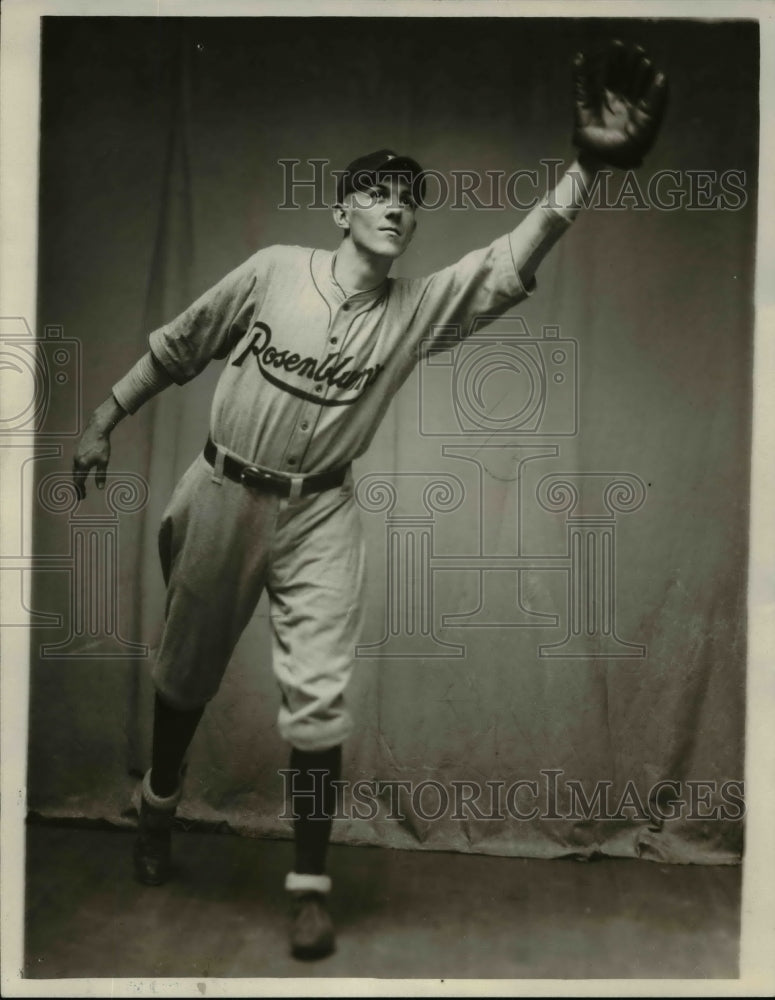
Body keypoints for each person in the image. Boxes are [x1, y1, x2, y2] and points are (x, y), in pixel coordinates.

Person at [72, 40, 667, 960]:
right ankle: (157, 803)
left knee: (319, 703)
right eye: (379, 192)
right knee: (182, 683)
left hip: (320, 516)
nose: (398, 205)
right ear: (341, 206)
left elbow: (507, 258)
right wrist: (102, 418)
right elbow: (179, 344)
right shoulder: (274, 270)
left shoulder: (415, 308)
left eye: (410, 198)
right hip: (223, 489)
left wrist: (585, 171)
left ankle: (308, 887)